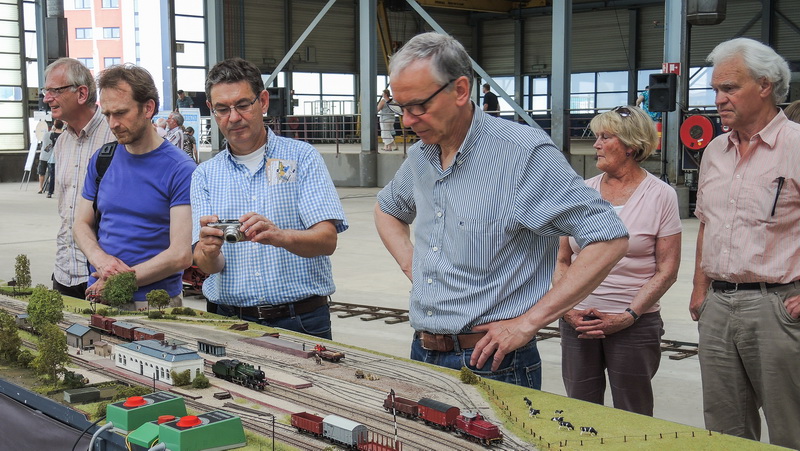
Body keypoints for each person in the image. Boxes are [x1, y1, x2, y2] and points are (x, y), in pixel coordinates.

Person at [374, 32, 628, 389]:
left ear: (460, 90)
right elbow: (387, 209)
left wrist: (529, 323)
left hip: (493, 363)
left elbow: (609, 238)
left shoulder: (523, 155)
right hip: (424, 351)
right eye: (401, 108)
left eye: (418, 106)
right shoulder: (420, 157)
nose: (406, 120)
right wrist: (409, 261)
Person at [689, 37, 800, 449]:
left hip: (778, 307)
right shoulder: (716, 150)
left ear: (766, 85)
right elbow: (706, 224)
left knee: (790, 425)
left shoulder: (796, 146)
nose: (718, 99)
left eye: (730, 88)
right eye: (716, 89)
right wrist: (701, 290)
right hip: (718, 306)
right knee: (724, 427)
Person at [191, 57, 348, 340]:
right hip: (228, 322)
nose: (234, 118)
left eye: (242, 105)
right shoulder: (204, 175)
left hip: (299, 321)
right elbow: (207, 266)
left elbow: (327, 241)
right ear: (211, 111)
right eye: (223, 109)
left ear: (263, 101)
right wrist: (209, 252)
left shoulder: (302, 157)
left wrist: (279, 236)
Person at [555, 105, 682, 416]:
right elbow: (560, 260)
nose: (596, 144)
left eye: (605, 137)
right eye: (596, 137)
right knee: (581, 412)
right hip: (579, 322)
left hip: (633, 323)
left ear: (631, 146)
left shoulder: (661, 196)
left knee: (633, 412)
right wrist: (567, 309)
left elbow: (667, 270)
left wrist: (628, 316)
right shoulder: (580, 192)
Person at [72, 63, 195, 310]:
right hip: (100, 295)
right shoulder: (103, 159)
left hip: (153, 304)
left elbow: (181, 254)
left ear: (148, 108)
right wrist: (101, 261)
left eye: (120, 113)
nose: (113, 123)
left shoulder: (181, 169)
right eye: (107, 114)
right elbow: (80, 223)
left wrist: (120, 281)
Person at [43, 58, 114, 299]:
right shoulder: (62, 142)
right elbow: (65, 211)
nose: (46, 98)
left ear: (81, 93)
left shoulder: (114, 136)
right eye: (46, 91)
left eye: (54, 90)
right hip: (64, 273)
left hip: (103, 276)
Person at [37, 122, 54, 194]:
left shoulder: (45, 135)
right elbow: (48, 147)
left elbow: (45, 147)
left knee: (41, 173)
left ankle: (40, 187)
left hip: (43, 156)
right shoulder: (54, 135)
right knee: (51, 174)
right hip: (52, 157)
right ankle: (49, 188)